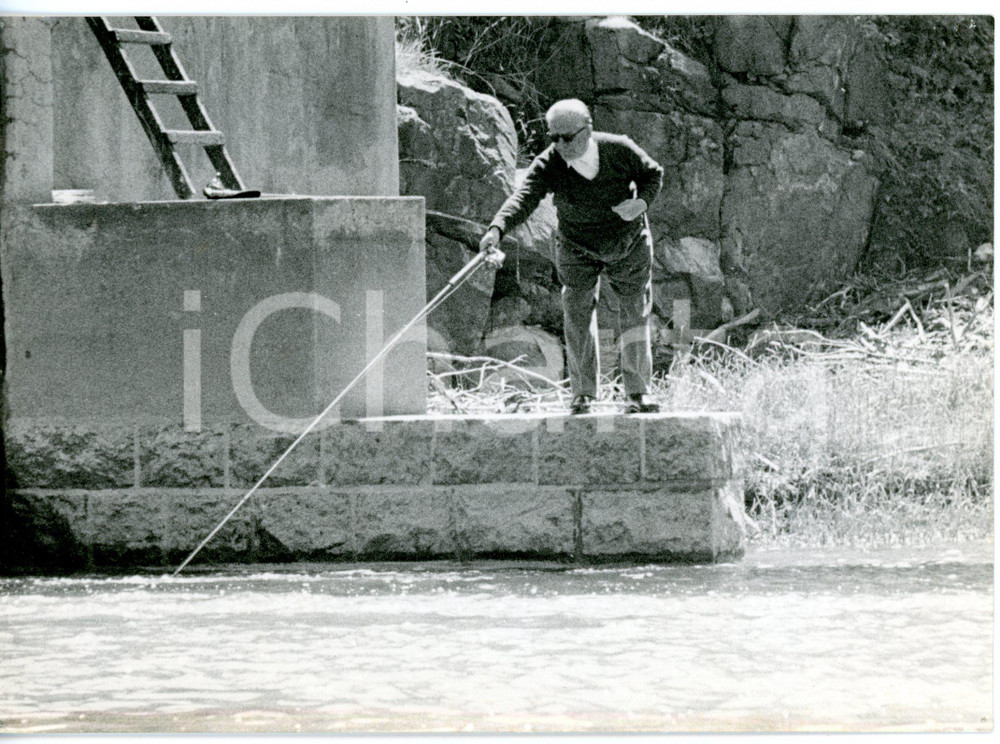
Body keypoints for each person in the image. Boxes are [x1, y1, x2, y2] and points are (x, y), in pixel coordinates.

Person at [479, 98, 664, 414]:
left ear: (588, 129)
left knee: (633, 311)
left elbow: (653, 174)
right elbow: (524, 196)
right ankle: (583, 395)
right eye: (553, 137)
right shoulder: (549, 162)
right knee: (577, 314)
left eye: (567, 137)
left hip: (627, 244)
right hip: (576, 246)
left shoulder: (619, 149)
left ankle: (637, 393)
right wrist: (497, 229)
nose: (560, 144)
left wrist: (641, 204)